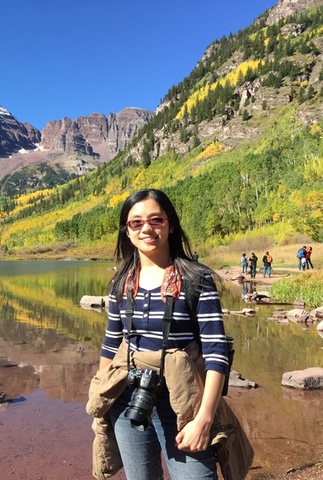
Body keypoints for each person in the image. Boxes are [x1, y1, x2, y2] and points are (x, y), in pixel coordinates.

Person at [95, 189, 228, 480]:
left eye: (156, 219)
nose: (147, 228)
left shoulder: (197, 279)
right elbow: (110, 345)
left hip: (184, 404)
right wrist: (100, 404)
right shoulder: (121, 283)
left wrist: (204, 419)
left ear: (171, 224)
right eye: (136, 222)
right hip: (127, 398)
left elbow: (216, 353)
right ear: (126, 231)